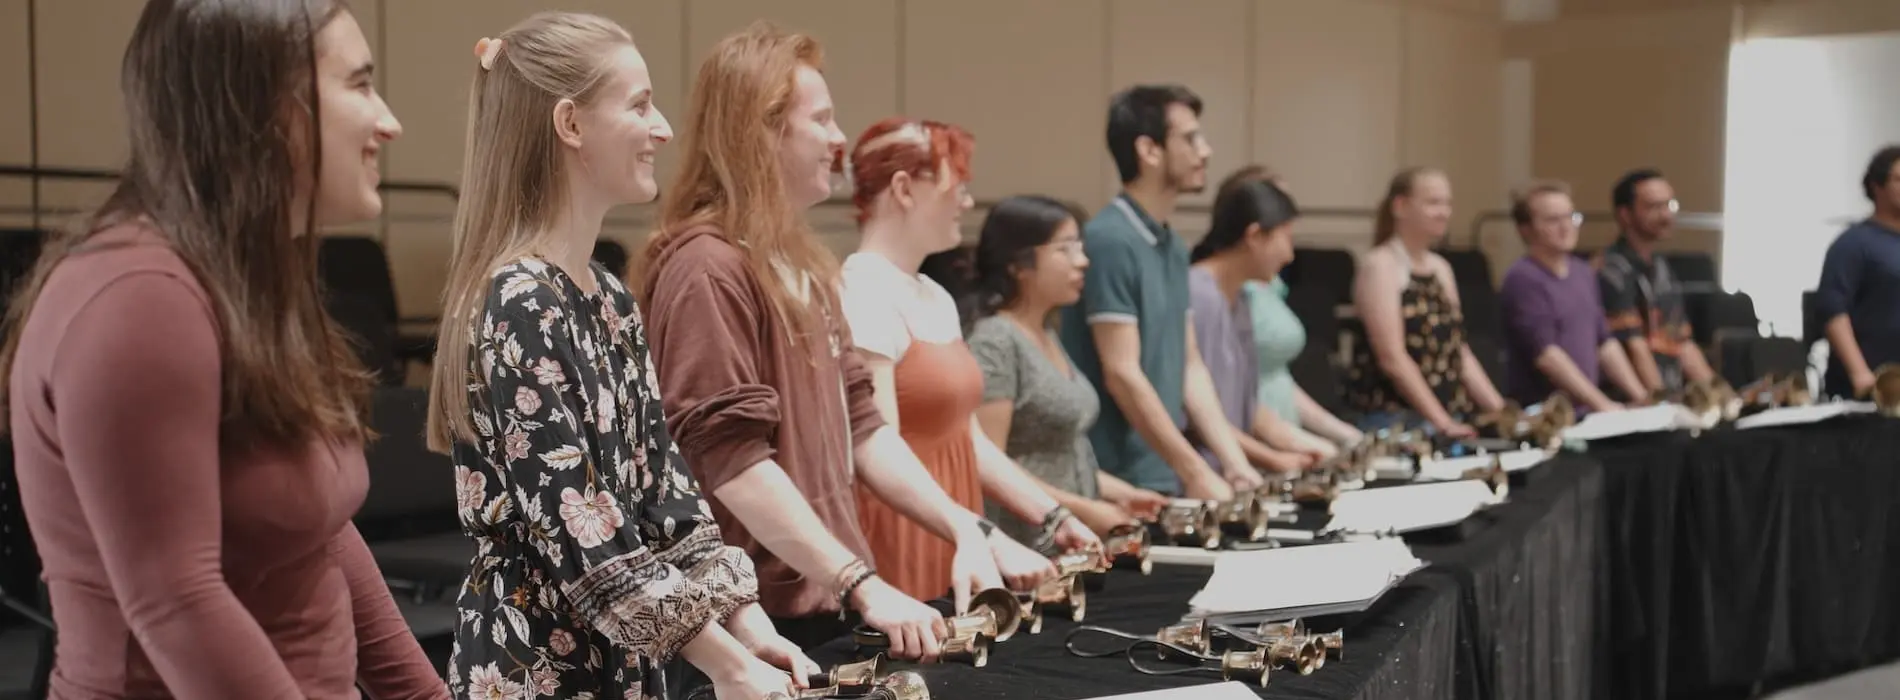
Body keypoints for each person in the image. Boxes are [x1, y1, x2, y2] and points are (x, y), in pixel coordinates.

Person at [0, 1, 445, 697]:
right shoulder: (139, 295)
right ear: (263, 106)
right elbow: (178, 602)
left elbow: (320, 532)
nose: (388, 121)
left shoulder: (245, 274)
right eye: (359, 85)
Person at [423, 14, 815, 700]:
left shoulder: (606, 294)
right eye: (639, 104)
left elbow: (665, 488)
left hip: (626, 654)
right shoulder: (519, 301)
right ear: (570, 125)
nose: (663, 128)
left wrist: (748, 626)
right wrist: (726, 664)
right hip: (538, 664)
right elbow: (583, 528)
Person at [637, 23, 1004, 660]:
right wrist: (859, 581)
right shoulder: (706, 269)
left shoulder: (804, 265)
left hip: (820, 598)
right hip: (753, 622)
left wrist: (963, 525)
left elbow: (864, 426)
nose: (840, 139)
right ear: (764, 129)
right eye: (823, 120)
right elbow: (733, 463)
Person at [839, 119, 1096, 598]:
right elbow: (879, 452)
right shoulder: (861, 292)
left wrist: (1050, 514)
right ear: (903, 189)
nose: (967, 202)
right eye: (956, 187)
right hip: (903, 533)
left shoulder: (933, 296)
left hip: (958, 533)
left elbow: (968, 439)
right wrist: (982, 534)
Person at [926, 196, 1174, 540]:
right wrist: (1083, 510)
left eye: (1080, 248)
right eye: (1066, 249)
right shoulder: (995, 341)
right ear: (1018, 264)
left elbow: (1061, 454)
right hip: (1027, 544)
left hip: (1069, 538)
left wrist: (1119, 493)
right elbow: (991, 464)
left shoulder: (1044, 331)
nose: (1083, 261)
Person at [1059, 84, 1258, 502]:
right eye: (1190, 139)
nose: (1205, 151)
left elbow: (1191, 367)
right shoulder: (1111, 239)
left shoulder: (1171, 245)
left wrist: (1234, 463)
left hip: (1158, 471)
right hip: (1115, 475)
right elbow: (1123, 374)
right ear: (1149, 150)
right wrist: (1195, 468)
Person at [1187, 168, 1357, 466]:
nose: (1290, 255)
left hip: (1233, 471)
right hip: (1205, 479)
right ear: (1254, 236)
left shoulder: (1239, 297)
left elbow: (1249, 408)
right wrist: (1274, 459)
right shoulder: (1198, 295)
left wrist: (1317, 448)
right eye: (1286, 238)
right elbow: (1196, 415)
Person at [1347, 167, 1507, 435]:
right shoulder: (1380, 266)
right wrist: (1443, 423)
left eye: (1448, 203)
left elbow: (1459, 351)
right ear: (1401, 206)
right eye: (1433, 202)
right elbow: (1392, 358)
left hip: (1446, 413)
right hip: (1396, 419)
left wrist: (1502, 412)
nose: (1444, 212)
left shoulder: (1441, 268)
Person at [1499, 180, 1647, 412]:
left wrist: (1640, 397)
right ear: (1525, 229)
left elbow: (1605, 342)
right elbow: (1547, 355)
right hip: (1548, 415)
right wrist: (1602, 404)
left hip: (1586, 410)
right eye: (1552, 220)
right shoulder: (1523, 278)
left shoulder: (1583, 272)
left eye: (1571, 217)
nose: (1566, 226)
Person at [1595, 169, 1715, 395]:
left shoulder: (1661, 267)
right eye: (1653, 207)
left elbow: (1682, 343)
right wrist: (1661, 405)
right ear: (1625, 215)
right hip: (1634, 402)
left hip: (1669, 396)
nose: (1666, 216)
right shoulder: (1611, 271)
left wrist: (1719, 397)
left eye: (1669, 205)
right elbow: (1634, 347)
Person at [1816, 145, 1900, 399]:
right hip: (1871, 389)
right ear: (1877, 186)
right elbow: (1833, 313)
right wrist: (1859, 374)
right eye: (1898, 179)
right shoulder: (1853, 243)